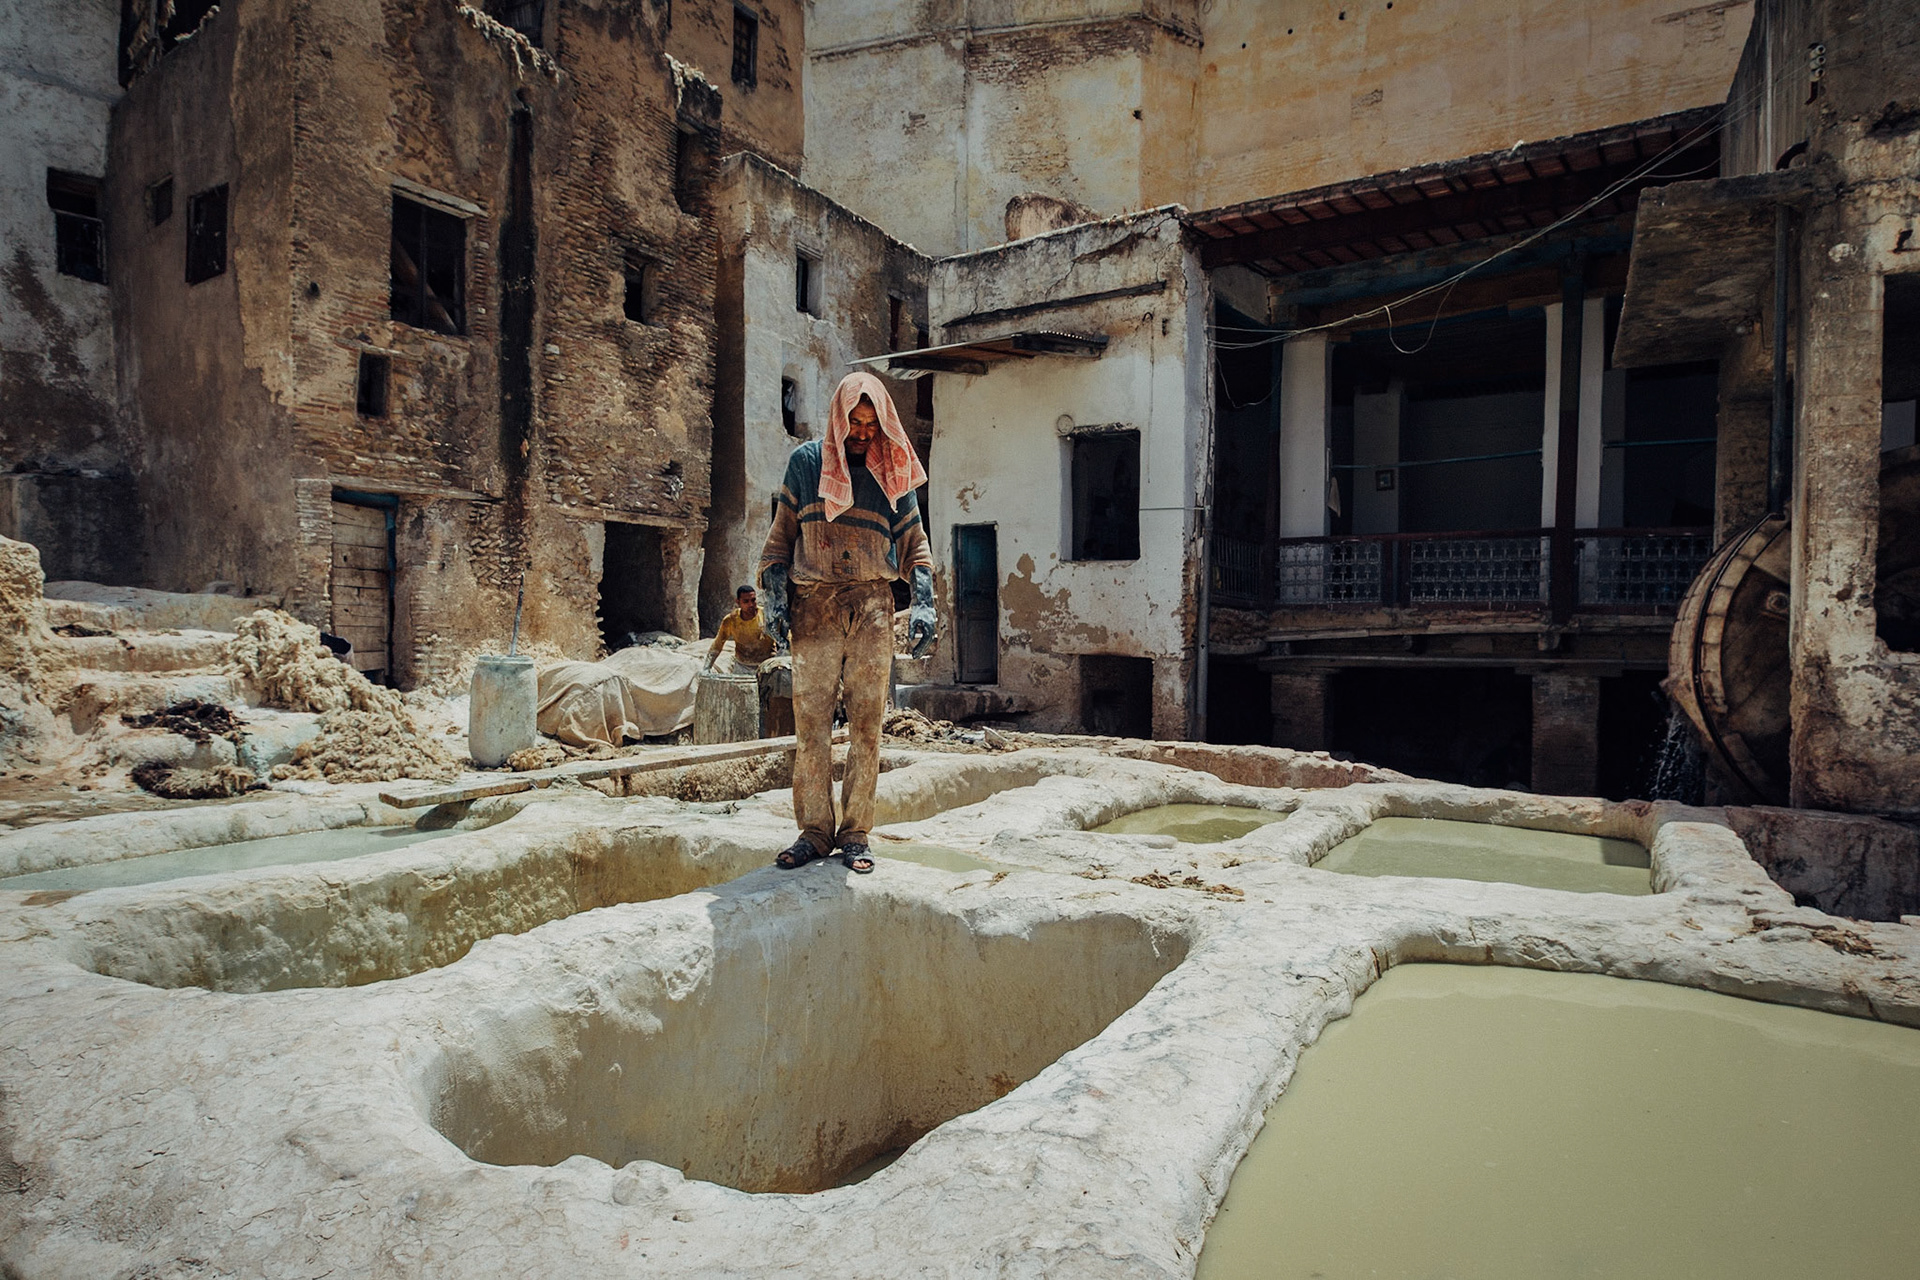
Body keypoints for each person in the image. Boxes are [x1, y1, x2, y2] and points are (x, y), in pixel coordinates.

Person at [758, 370, 935, 873]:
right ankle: (814, 832)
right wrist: (775, 599)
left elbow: (915, 545)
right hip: (813, 605)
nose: (862, 433)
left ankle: (856, 832)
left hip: (873, 606)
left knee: (867, 725)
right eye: (854, 423)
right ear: (839, 418)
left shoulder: (892, 470)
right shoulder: (806, 463)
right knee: (811, 726)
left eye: (871, 425)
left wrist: (924, 601)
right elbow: (779, 540)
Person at [703, 584, 776, 671]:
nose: (751, 604)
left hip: (767, 665)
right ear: (738, 602)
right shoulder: (731, 620)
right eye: (746, 601)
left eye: (753, 600)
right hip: (743, 666)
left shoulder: (766, 616)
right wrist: (707, 667)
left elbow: (783, 640)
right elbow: (717, 644)